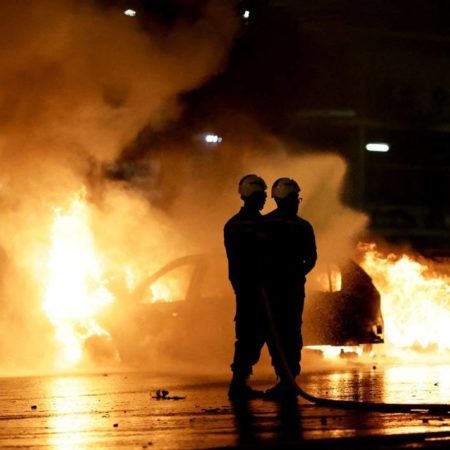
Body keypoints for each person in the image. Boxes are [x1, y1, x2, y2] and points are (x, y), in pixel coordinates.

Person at [263, 177, 317, 399]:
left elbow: (255, 256)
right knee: (291, 331)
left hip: (272, 289)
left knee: (275, 331)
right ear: (287, 199)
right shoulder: (303, 227)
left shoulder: (264, 224)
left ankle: (284, 378)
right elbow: (311, 258)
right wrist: (296, 274)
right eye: (295, 198)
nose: (297, 202)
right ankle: (288, 378)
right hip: (292, 288)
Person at [224, 174, 268, 399]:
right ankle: (238, 384)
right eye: (261, 195)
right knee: (253, 336)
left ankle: (239, 381)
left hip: (244, 288)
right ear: (249, 196)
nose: (264, 199)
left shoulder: (232, 224)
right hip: (255, 289)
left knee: (249, 336)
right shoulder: (261, 225)